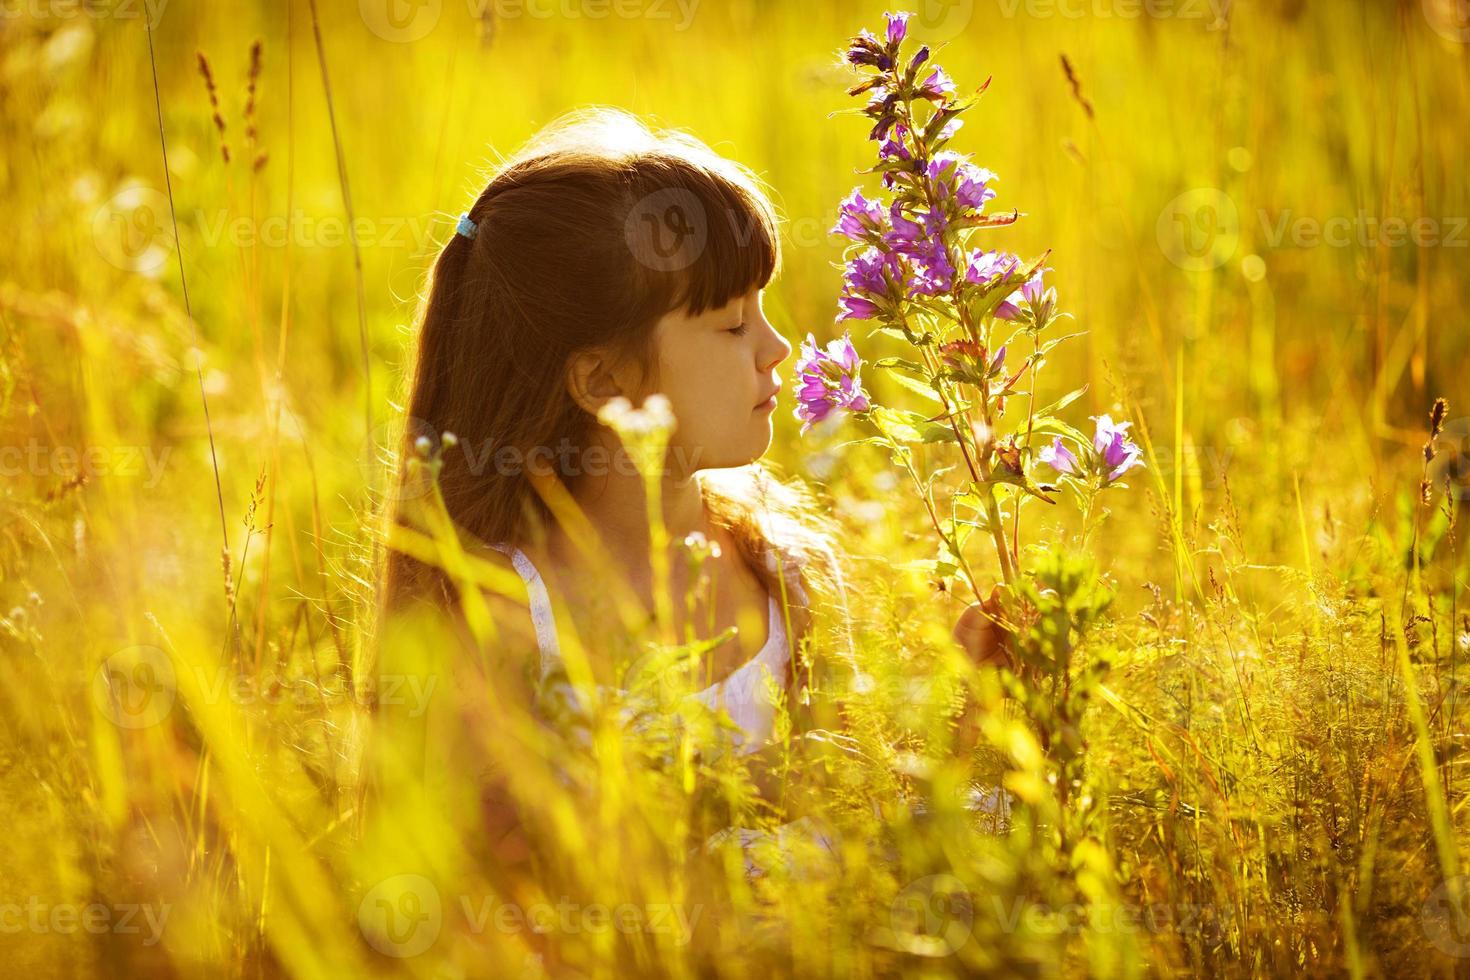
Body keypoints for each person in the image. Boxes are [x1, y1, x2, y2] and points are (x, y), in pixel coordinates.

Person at [376, 106, 1010, 891]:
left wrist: (961, 714)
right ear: (603, 380)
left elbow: (850, 820)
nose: (778, 349)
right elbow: (505, 897)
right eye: (733, 324)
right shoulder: (503, 616)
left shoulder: (782, 568)